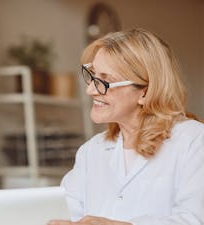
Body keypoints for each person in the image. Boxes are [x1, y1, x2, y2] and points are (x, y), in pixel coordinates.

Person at [49, 28, 204, 225]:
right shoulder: (92, 151)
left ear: (145, 92)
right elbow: (65, 213)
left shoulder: (193, 141)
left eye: (105, 81)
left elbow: (194, 219)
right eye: (93, 76)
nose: (90, 90)